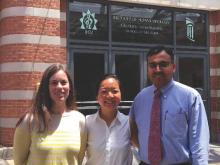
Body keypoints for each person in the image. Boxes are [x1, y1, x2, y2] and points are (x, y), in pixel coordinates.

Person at [129, 46, 209, 165]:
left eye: (163, 64)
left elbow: (199, 142)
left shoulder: (190, 97)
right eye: (152, 65)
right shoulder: (140, 98)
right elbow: (132, 130)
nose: (157, 69)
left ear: (173, 67)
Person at [13, 63, 87, 165]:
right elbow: (18, 162)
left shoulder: (80, 120)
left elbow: (78, 160)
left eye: (63, 82)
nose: (59, 86)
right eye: (54, 83)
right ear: (45, 88)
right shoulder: (29, 121)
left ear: (70, 87)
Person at [85, 74, 132, 165]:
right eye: (104, 91)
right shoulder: (87, 122)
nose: (110, 96)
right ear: (97, 96)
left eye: (114, 91)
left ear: (121, 94)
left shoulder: (129, 123)